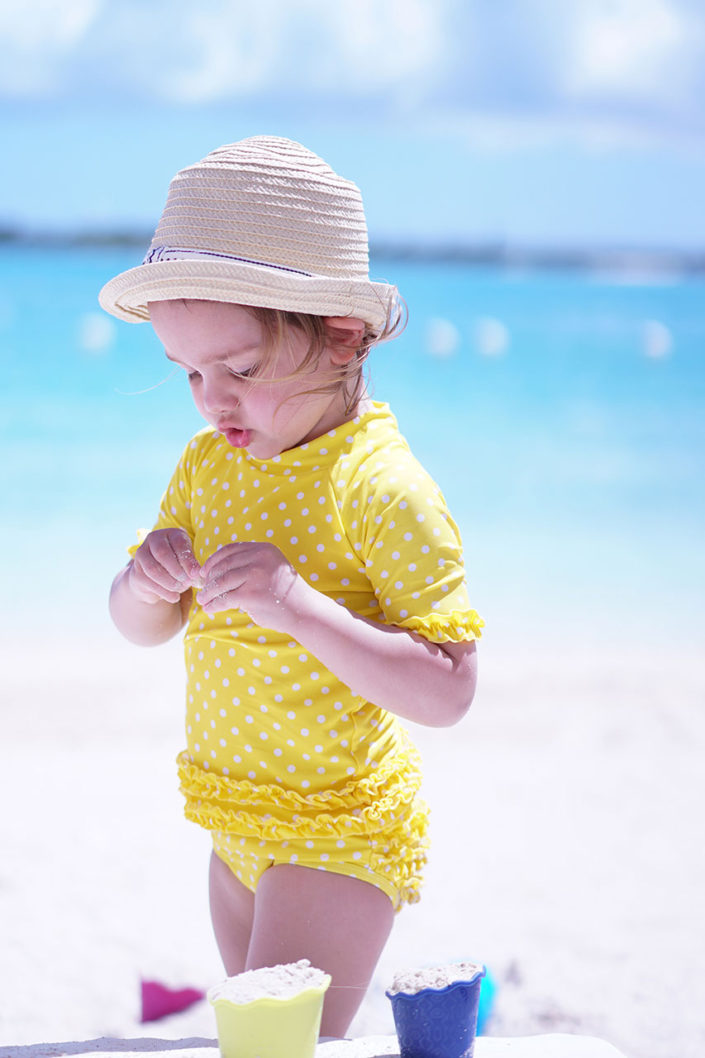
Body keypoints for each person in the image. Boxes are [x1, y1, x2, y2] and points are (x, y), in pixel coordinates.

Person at [101, 136, 483, 1038]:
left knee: (276, 1049)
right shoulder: (207, 467)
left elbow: (448, 689)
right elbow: (139, 629)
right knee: (266, 1046)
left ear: (341, 334)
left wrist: (298, 607)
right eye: (189, 373)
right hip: (230, 822)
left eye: (237, 369)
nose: (211, 400)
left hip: (335, 835)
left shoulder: (379, 486)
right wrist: (143, 583)